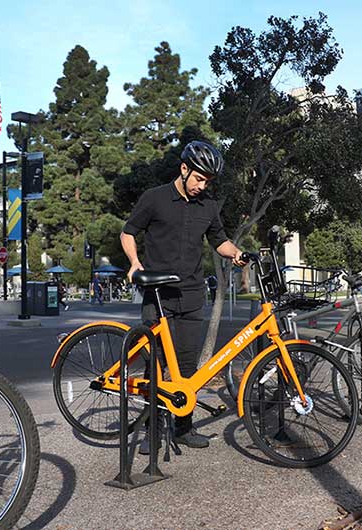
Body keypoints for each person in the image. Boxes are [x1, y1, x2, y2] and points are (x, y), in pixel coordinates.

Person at [120, 140, 246, 452]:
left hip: (192, 292)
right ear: (184, 169)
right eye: (199, 178)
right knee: (157, 366)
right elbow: (127, 232)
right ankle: (152, 432)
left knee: (188, 366)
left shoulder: (208, 206)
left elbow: (220, 241)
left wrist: (237, 254)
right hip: (158, 294)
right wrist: (135, 264)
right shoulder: (155, 198)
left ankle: (183, 428)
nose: (202, 186)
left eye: (208, 181)